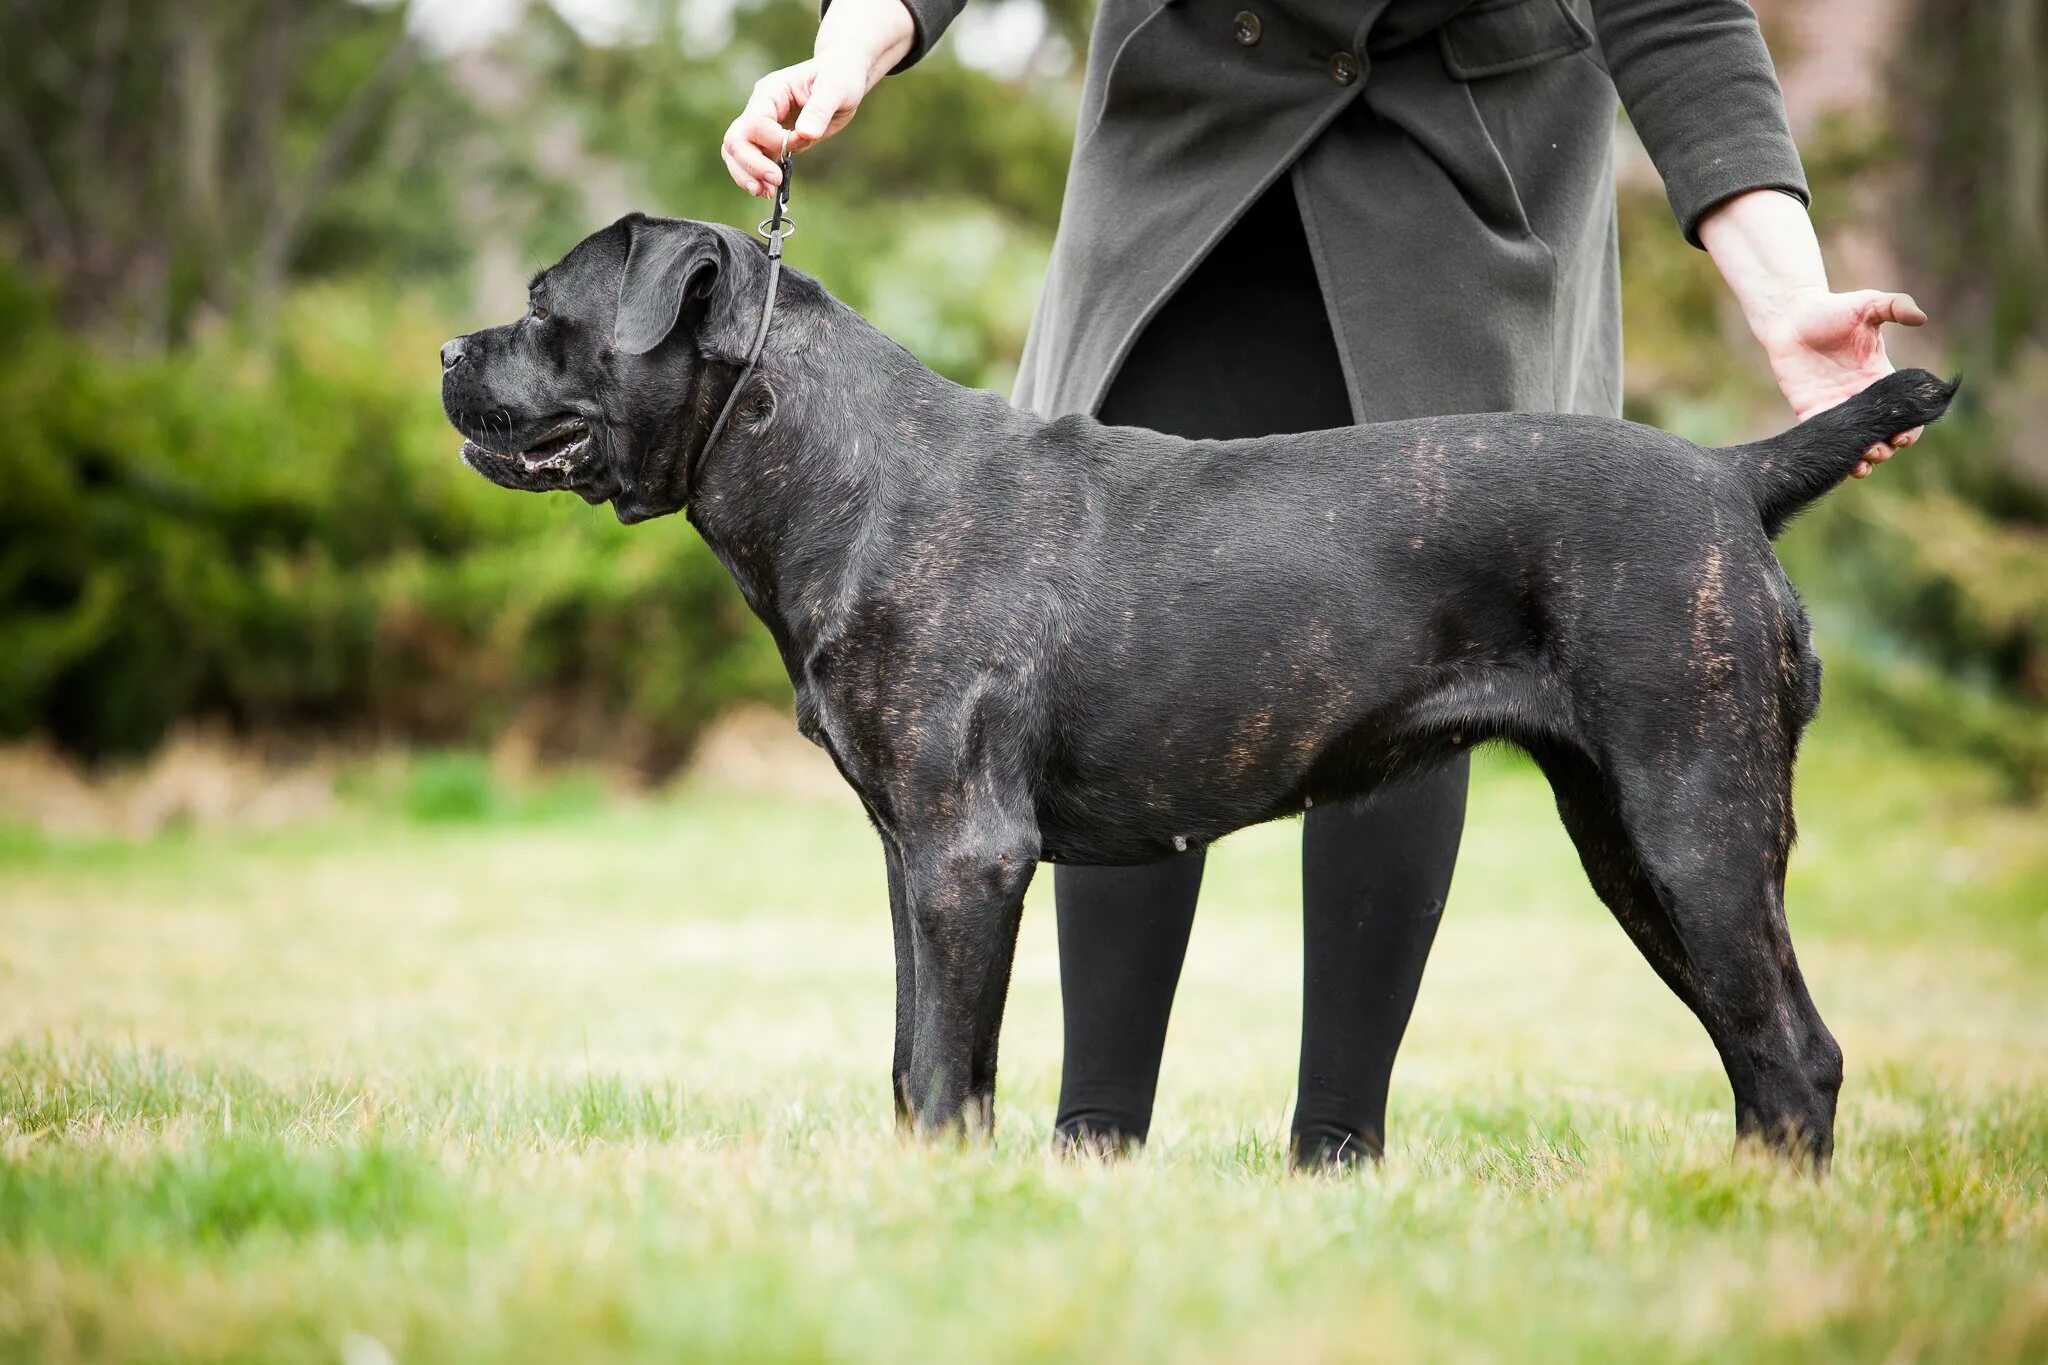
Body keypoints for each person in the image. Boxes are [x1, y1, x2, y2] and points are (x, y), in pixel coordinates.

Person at [722, 0, 1927, 1167]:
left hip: (1461, 169)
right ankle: (1090, 1141)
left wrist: (1780, 294)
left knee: (1418, 652)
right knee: (1108, 652)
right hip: (1187, 151)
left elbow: (1674, 12)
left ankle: (1342, 1142)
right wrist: (854, 40)